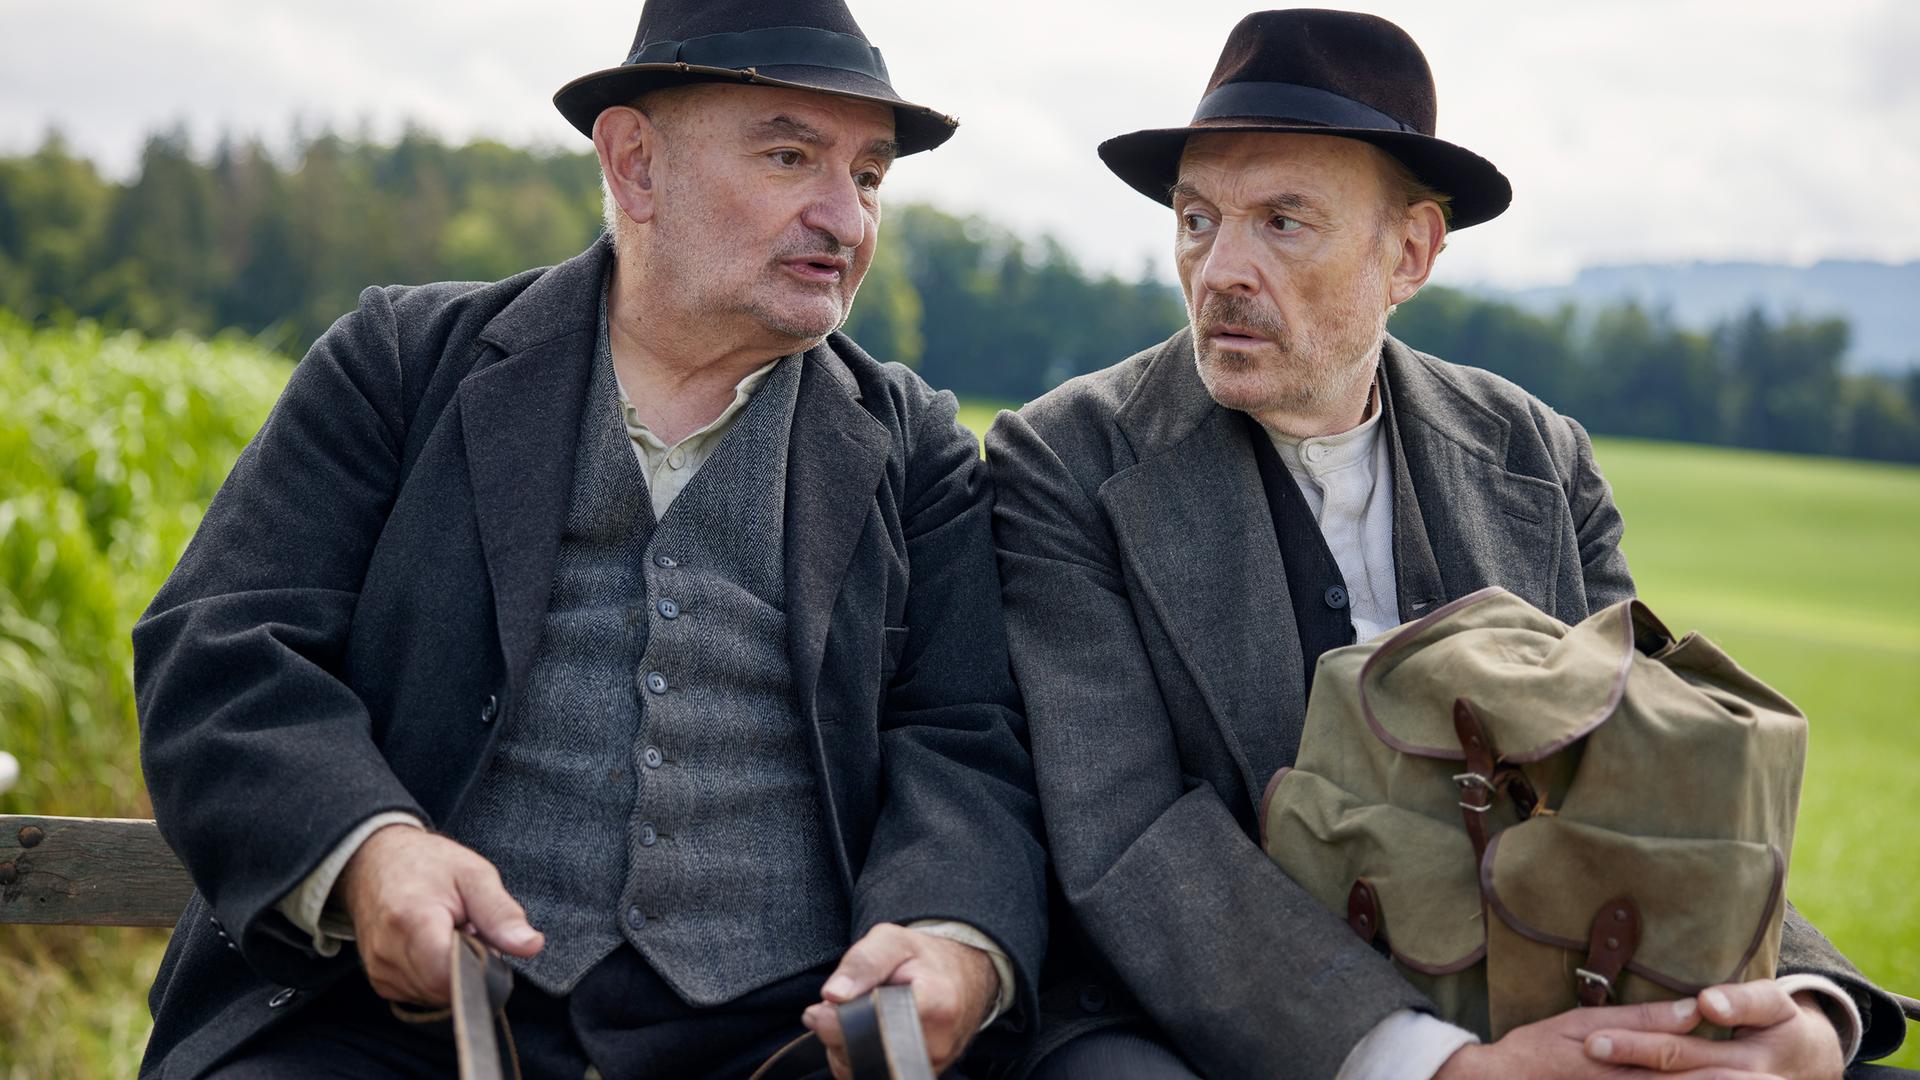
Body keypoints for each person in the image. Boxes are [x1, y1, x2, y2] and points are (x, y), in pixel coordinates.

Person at [987, 10, 1908, 1079]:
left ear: (1411, 250)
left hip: (1533, 991)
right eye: (1198, 220)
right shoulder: (1065, 461)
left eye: (1283, 221)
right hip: (1188, 1029)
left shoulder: (1539, 455)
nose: (1220, 269)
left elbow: (1655, 767)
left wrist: (1804, 1006)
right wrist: (1432, 1066)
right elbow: (1132, 838)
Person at [133, 2, 1046, 1076]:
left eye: (871, 177)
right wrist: (374, 853)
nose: (845, 219)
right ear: (635, 164)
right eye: (792, 156)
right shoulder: (398, 364)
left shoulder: (915, 449)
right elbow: (223, 650)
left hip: (782, 1041)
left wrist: (950, 939)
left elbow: (968, 738)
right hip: (394, 1025)